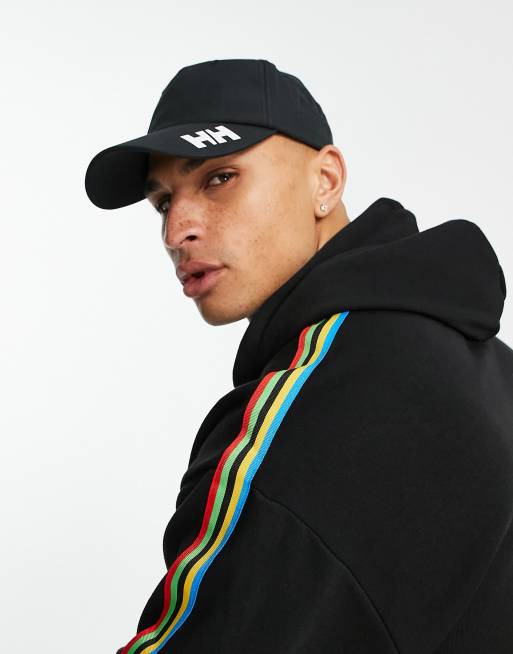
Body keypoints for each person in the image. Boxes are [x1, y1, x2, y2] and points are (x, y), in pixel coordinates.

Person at [85, 59, 513, 654]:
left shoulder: (309, 403)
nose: (176, 231)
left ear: (325, 181)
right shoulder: (486, 363)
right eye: (162, 203)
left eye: (218, 177)